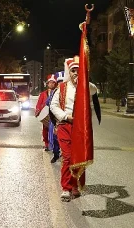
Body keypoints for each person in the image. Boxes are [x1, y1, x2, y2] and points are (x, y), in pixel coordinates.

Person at [50, 57, 98, 201]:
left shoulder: (86, 86)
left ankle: (75, 185)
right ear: (69, 72)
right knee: (68, 156)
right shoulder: (62, 88)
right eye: (73, 71)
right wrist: (65, 116)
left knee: (79, 157)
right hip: (65, 125)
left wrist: (83, 80)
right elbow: (53, 106)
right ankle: (66, 187)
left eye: (79, 70)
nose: (76, 73)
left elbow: (95, 89)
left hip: (81, 128)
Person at [46, 72, 64, 163]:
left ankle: (66, 155)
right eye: (59, 82)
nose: (61, 84)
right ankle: (56, 154)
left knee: (66, 140)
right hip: (56, 120)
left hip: (66, 120)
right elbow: (47, 103)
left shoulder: (69, 92)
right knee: (55, 138)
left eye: (62, 82)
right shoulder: (54, 92)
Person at [35, 74, 55, 151]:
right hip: (46, 115)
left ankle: (54, 145)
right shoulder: (43, 94)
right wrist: (38, 110)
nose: (51, 84)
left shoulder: (57, 92)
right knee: (45, 131)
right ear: (47, 84)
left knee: (55, 131)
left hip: (54, 115)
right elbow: (39, 103)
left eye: (53, 82)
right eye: (50, 82)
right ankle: (47, 144)